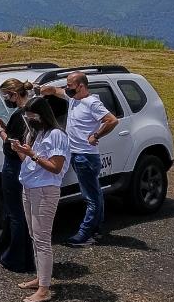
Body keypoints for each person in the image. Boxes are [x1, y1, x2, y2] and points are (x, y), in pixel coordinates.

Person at [39, 72, 119, 246]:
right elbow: (55, 91)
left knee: (90, 197)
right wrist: (42, 89)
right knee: (95, 193)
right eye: (67, 85)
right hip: (77, 154)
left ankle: (85, 234)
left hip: (86, 157)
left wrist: (96, 134)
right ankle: (97, 229)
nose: (67, 88)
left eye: (70, 85)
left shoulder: (92, 103)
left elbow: (112, 120)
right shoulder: (73, 99)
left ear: (81, 86)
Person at [10, 96, 70, 302]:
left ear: (43, 115)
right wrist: (21, 151)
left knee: (42, 239)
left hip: (45, 190)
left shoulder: (56, 135)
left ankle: (44, 289)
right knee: (34, 235)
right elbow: (29, 161)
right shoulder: (36, 133)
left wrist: (33, 154)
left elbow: (56, 166)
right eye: (27, 116)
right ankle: (40, 277)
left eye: (32, 116)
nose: (29, 119)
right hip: (29, 186)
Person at [0, 79, 36, 274]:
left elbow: (12, 144)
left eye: (7, 96)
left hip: (14, 166)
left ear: (15, 95)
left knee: (16, 214)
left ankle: (16, 258)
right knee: (24, 214)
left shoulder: (19, 114)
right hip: (27, 167)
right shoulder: (34, 110)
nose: (6, 99)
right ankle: (27, 257)